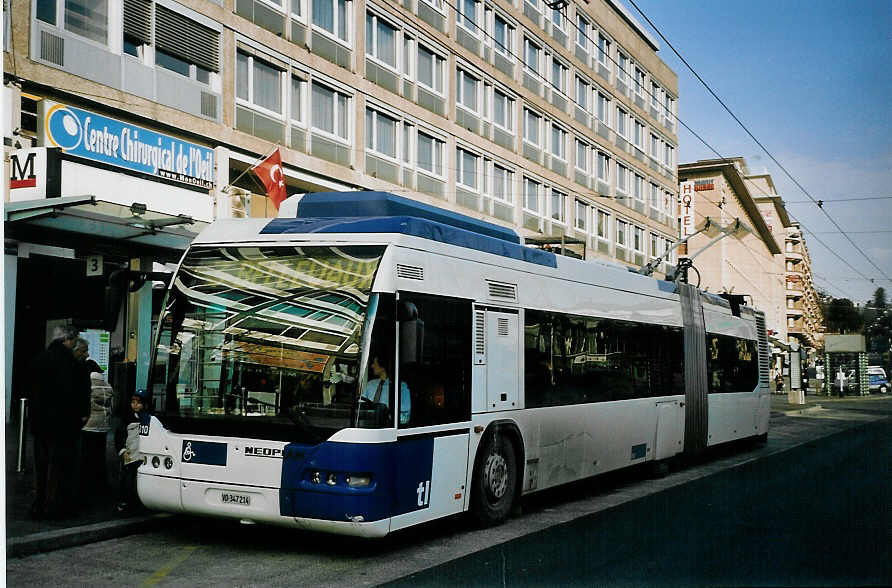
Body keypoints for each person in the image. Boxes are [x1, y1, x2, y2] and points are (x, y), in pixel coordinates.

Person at [28, 325, 89, 519]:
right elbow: (74, 393)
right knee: (60, 467)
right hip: (63, 424)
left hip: (40, 423)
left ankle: (39, 504)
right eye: (73, 341)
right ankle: (55, 507)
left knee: (42, 466)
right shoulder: (69, 362)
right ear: (68, 340)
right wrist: (80, 416)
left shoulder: (40, 359)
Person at [81, 360, 116, 496]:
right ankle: (101, 486)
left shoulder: (86, 384)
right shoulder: (107, 385)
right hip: (103, 427)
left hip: (88, 426)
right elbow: (112, 407)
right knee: (99, 458)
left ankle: (87, 487)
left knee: (86, 458)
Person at [115, 388, 149, 513]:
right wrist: (123, 451)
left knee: (138, 480)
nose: (135, 404)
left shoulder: (148, 419)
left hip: (141, 455)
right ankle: (124, 501)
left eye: (138, 402)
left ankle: (136, 502)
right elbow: (119, 437)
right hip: (129, 455)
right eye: (133, 401)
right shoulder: (126, 419)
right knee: (127, 479)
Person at [361, 355, 411, 425]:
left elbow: (406, 411)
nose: (372, 366)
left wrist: (386, 410)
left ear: (382, 367)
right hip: (368, 424)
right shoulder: (370, 384)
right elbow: (361, 404)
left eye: (375, 364)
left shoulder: (400, 386)